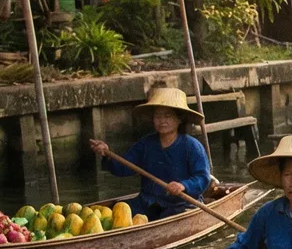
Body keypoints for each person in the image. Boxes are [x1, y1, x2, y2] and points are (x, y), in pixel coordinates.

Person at [87, 86, 212, 221]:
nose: (162, 121)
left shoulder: (192, 146)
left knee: (168, 217)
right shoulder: (146, 144)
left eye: (167, 116)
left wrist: (183, 186)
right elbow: (124, 167)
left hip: (181, 204)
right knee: (115, 211)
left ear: (179, 119)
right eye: (158, 116)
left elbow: (203, 178)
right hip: (148, 202)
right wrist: (107, 153)